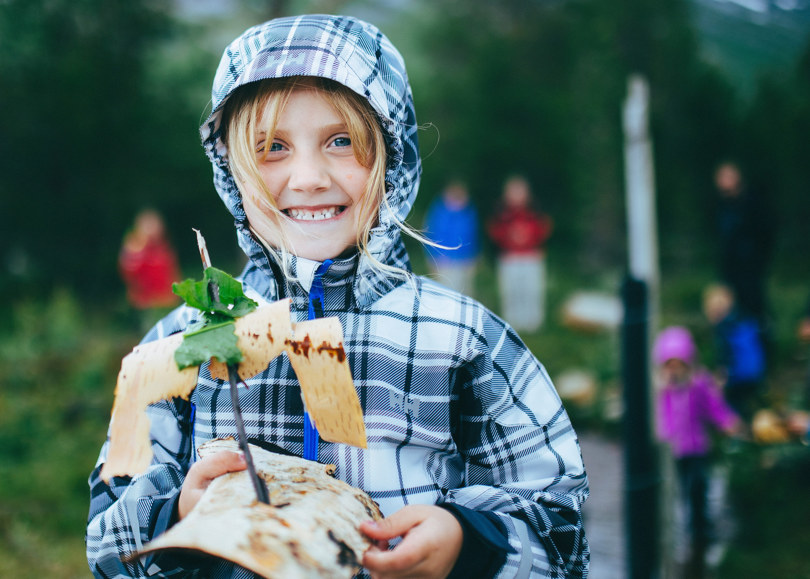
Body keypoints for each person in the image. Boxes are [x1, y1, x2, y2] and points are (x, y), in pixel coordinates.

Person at [86, 15, 589, 579]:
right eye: (272, 147)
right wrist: (177, 520)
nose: (307, 177)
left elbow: (560, 529)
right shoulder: (180, 344)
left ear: (393, 159)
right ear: (231, 169)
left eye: (341, 141)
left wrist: (466, 545)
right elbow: (107, 542)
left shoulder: (463, 339)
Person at [653, 326, 740, 577]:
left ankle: (704, 537)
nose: (674, 370)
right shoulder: (662, 390)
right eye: (669, 365)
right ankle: (682, 540)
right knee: (678, 497)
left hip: (697, 449)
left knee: (700, 491)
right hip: (673, 453)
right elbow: (660, 419)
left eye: (678, 364)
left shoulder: (698, 384)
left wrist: (728, 422)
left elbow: (714, 408)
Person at [486, 175, 553, 332]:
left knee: (532, 291)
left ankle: (533, 325)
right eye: (513, 191)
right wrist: (510, 236)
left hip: (531, 256)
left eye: (520, 191)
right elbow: (493, 231)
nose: (517, 195)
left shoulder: (535, 210)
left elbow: (544, 228)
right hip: (509, 257)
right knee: (511, 291)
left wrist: (528, 236)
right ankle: (512, 325)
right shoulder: (501, 212)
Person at [712, 161, 775, 324]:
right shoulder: (722, 207)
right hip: (731, 270)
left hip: (751, 268)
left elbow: (765, 234)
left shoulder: (751, 203)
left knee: (754, 310)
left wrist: (759, 260)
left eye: (728, 176)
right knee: (730, 312)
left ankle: (760, 339)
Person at [702, 283, 767, 426]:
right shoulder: (744, 319)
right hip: (754, 373)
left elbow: (725, 353)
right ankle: (753, 429)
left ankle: (738, 434)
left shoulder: (723, 327)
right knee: (749, 405)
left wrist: (720, 376)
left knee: (733, 408)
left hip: (735, 376)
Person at [422, 180, 480, 296]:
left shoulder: (469, 212)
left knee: (465, 295)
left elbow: (473, 237)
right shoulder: (438, 212)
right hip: (443, 262)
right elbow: (429, 236)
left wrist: (474, 257)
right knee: (445, 295)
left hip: (464, 262)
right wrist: (431, 258)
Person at [118, 208, 181, 311]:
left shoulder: (163, 247)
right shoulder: (135, 247)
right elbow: (128, 273)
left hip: (166, 302)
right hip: (143, 304)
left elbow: (172, 273)